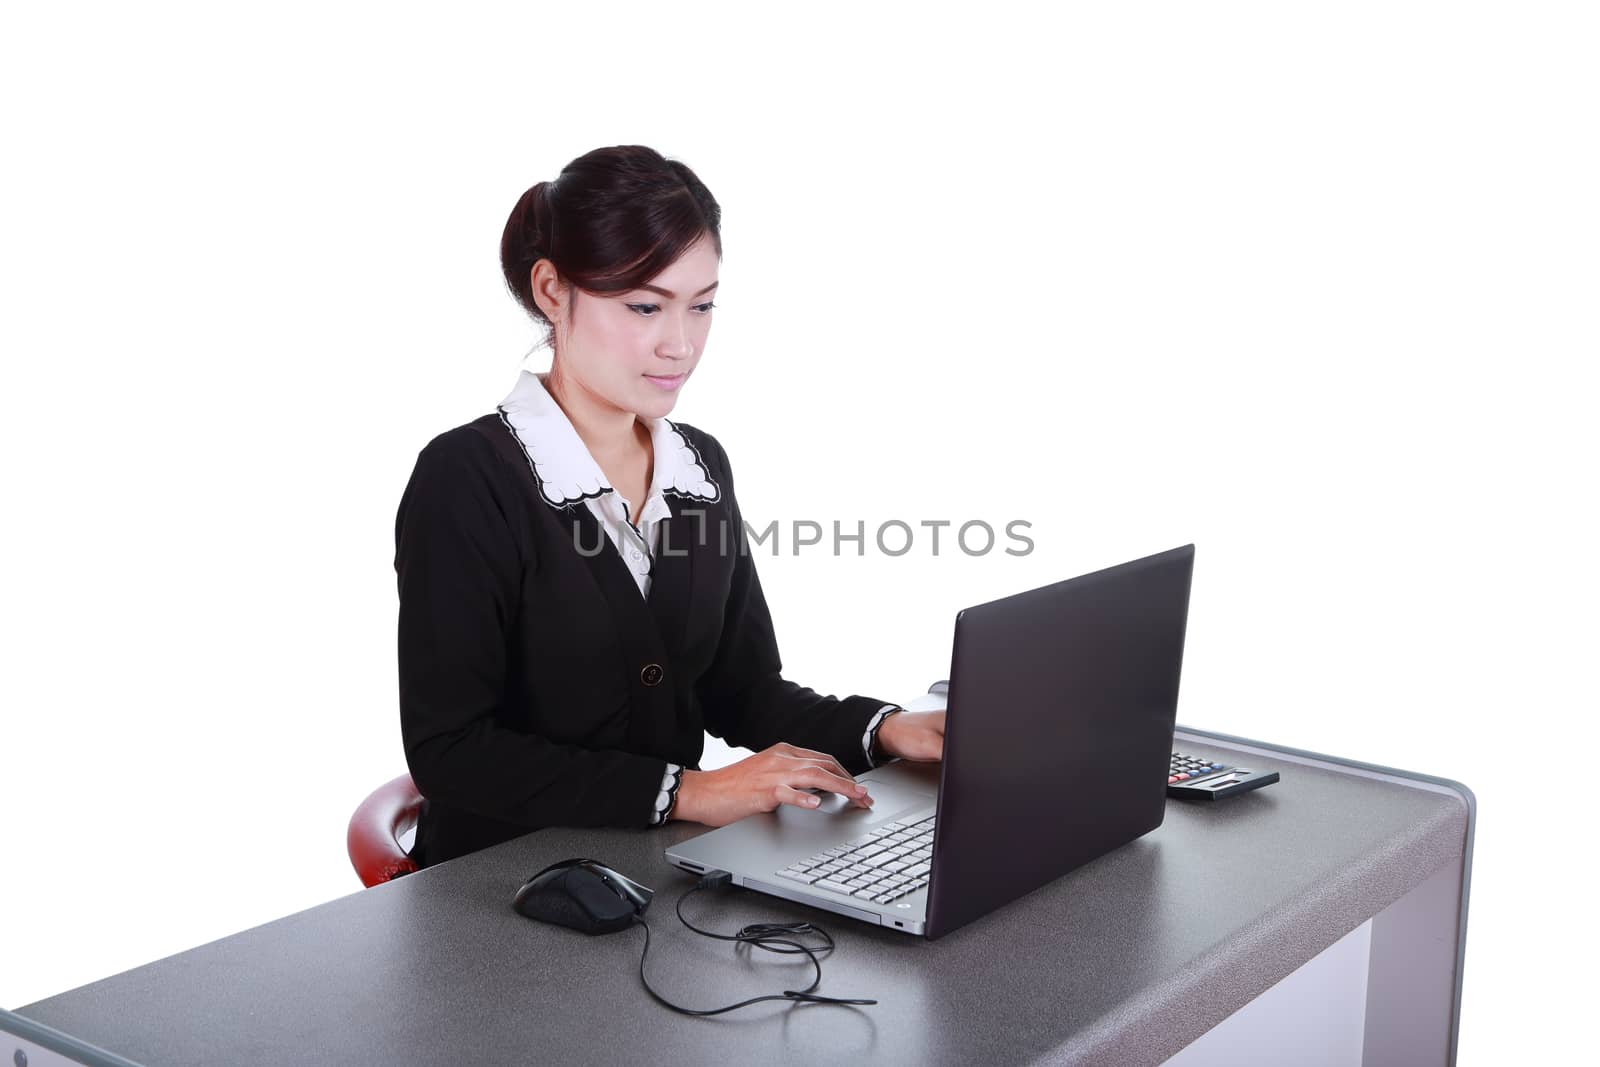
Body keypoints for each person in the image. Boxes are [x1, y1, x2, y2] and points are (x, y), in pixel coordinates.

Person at [394, 145, 945, 868]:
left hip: (658, 875)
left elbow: (740, 691)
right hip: (500, 890)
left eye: (702, 304)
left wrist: (889, 728)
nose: (680, 343)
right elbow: (452, 751)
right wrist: (686, 791)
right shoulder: (466, 479)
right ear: (552, 291)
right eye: (645, 305)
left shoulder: (698, 468)